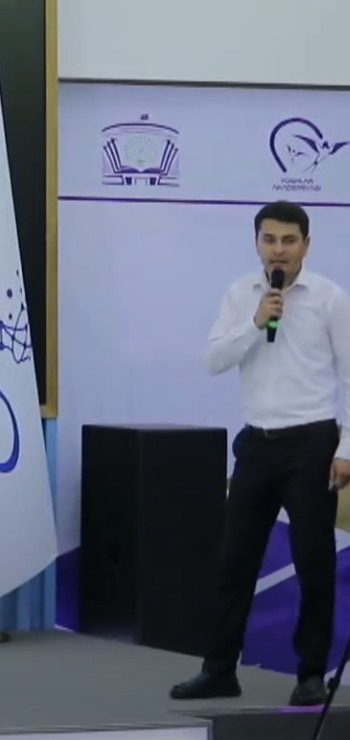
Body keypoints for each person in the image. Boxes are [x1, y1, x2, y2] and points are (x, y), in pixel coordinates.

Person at [172, 200, 350, 706]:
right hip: (256, 444)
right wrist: (255, 323)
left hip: (312, 443)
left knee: (313, 562)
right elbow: (214, 360)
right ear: (257, 243)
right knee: (234, 561)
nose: (279, 250)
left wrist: (347, 447)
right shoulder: (242, 295)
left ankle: (310, 674)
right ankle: (219, 670)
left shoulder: (330, 298)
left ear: (306, 246)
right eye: (269, 240)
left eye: (289, 241)